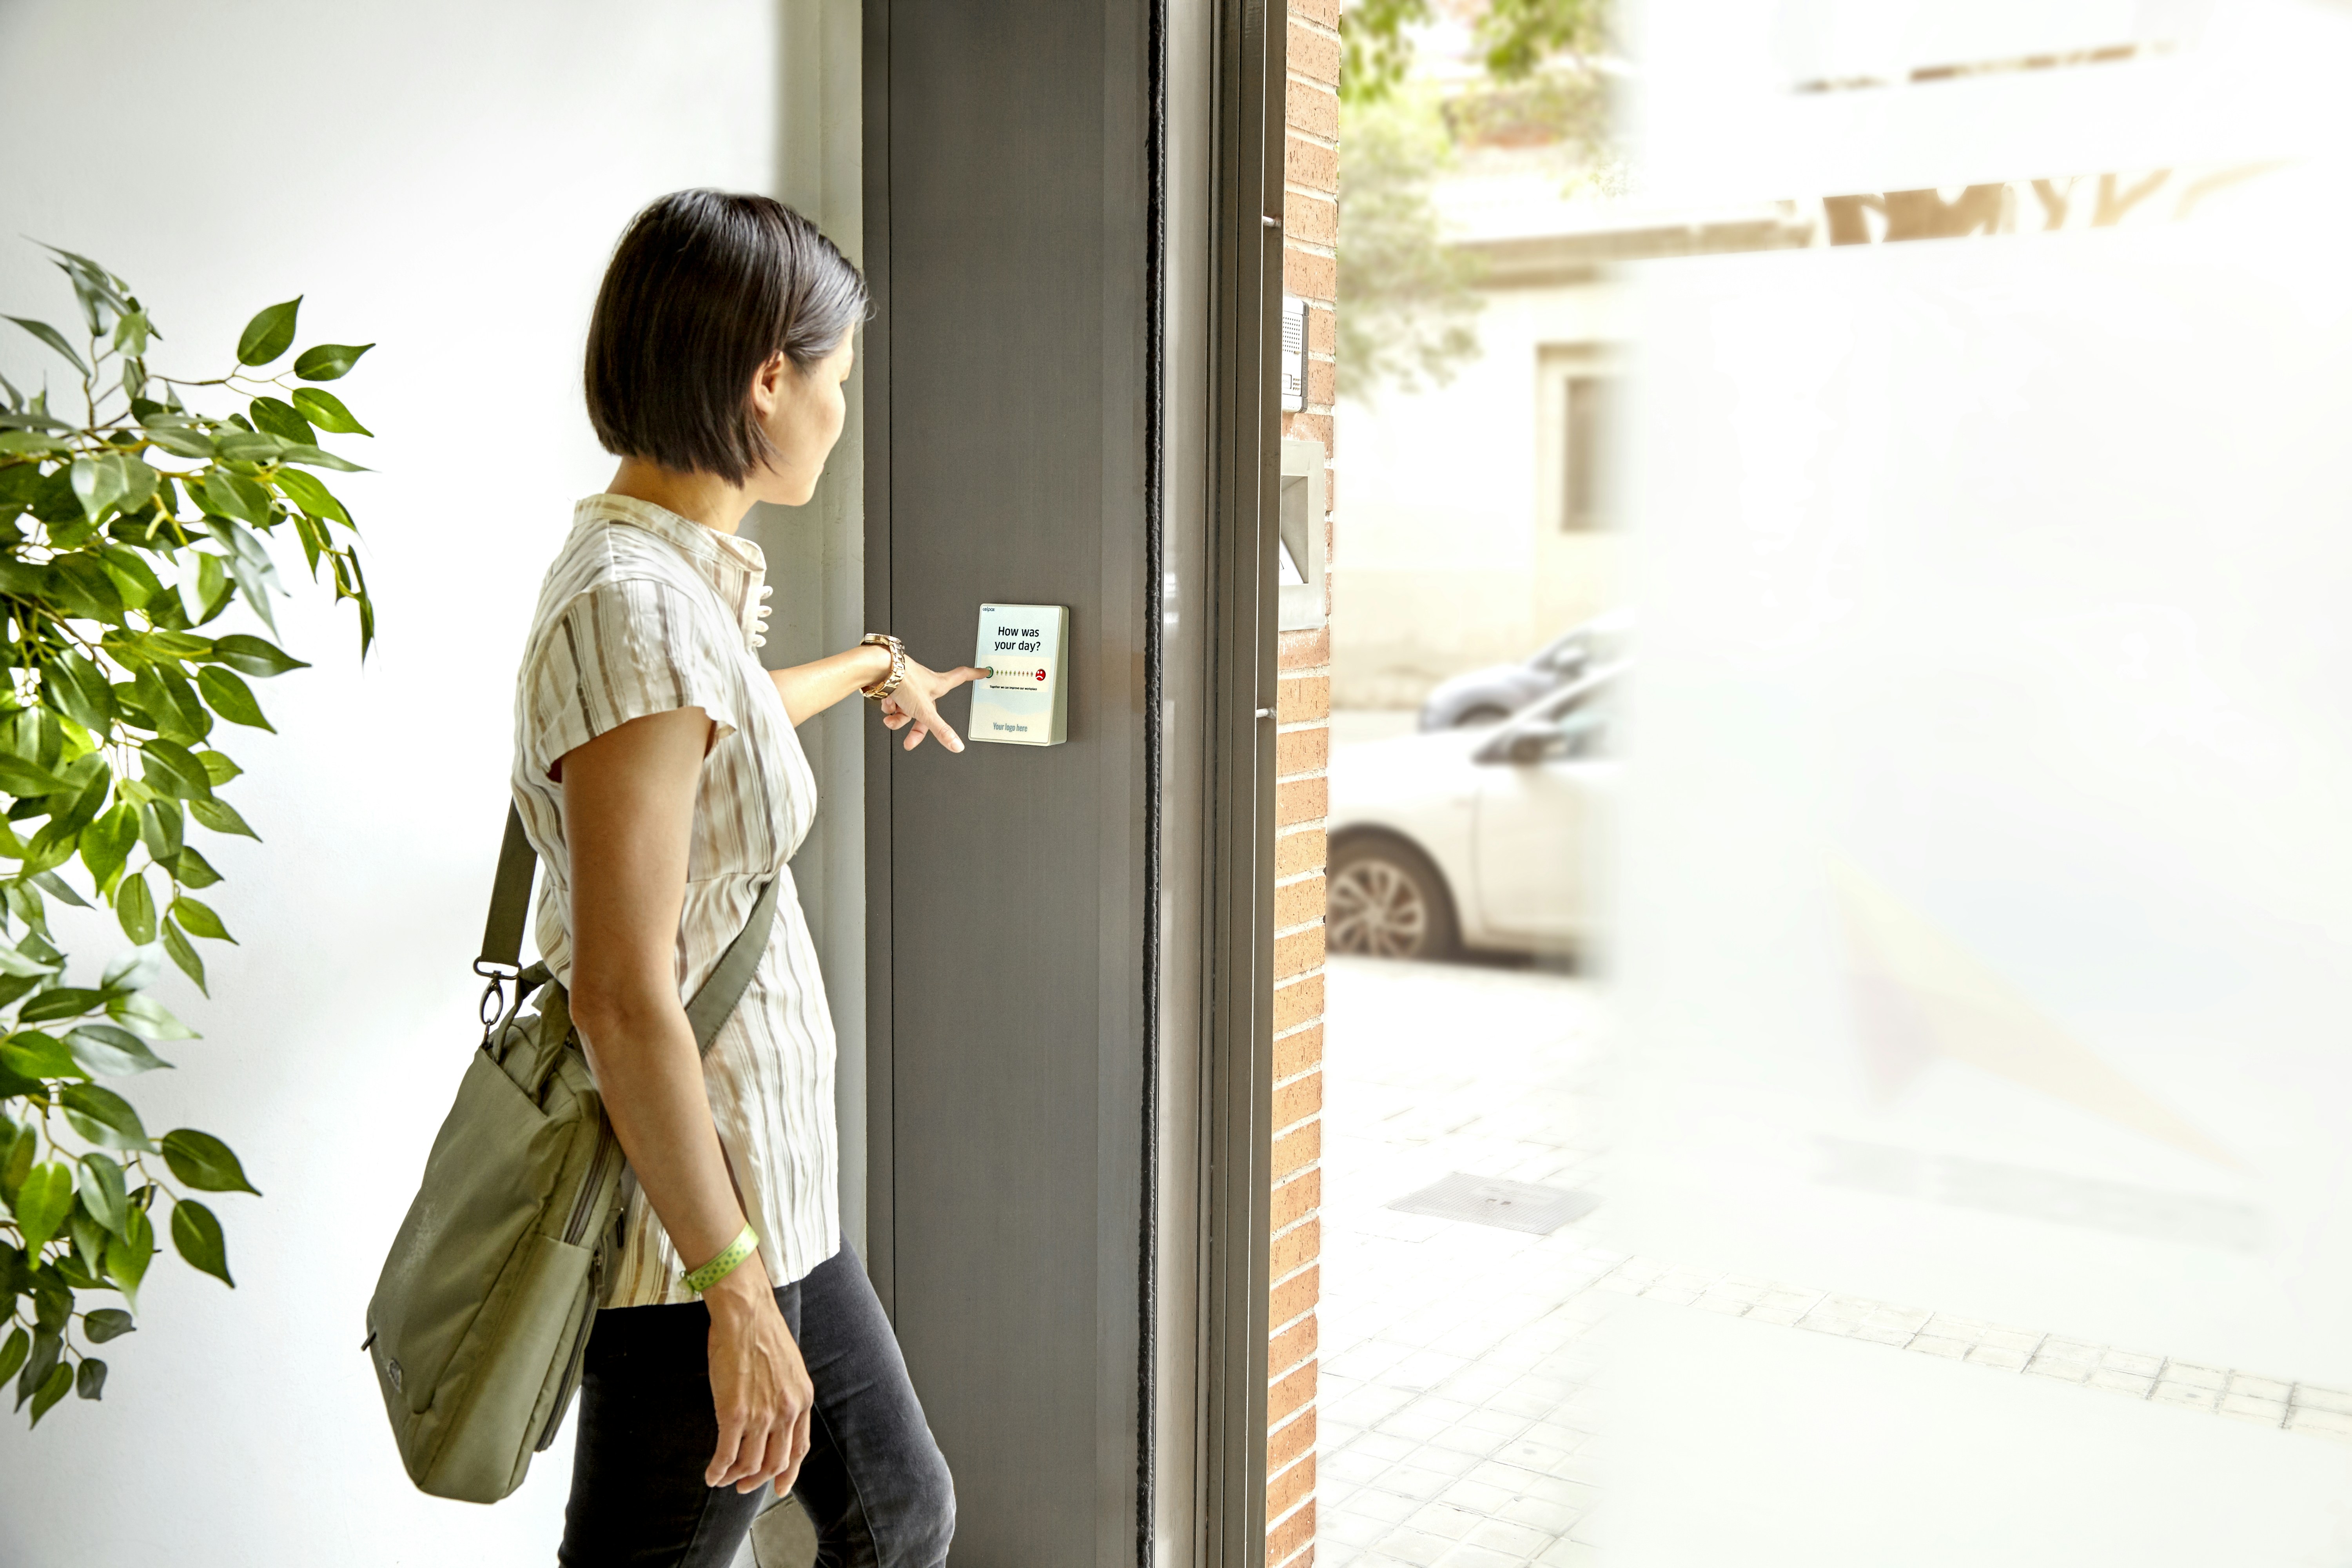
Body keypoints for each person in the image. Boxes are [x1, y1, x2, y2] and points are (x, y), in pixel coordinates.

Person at [513, 188, 968, 1568]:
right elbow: (620, 996)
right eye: (838, 378)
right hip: (692, 1231)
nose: (842, 409)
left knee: (899, 1513)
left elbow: (710, 725)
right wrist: (734, 1296)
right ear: (769, 380)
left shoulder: (661, 584)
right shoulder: (637, 606)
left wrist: (882, 664)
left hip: (769, 1190)